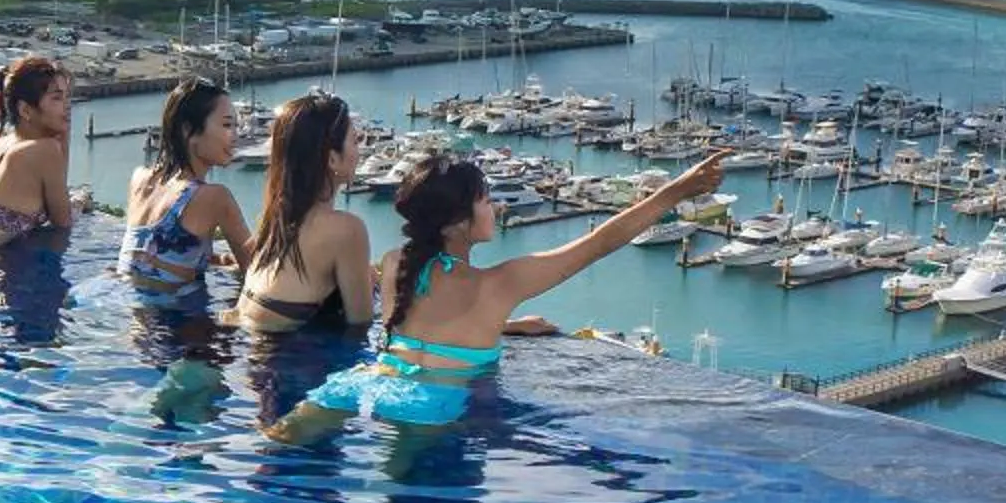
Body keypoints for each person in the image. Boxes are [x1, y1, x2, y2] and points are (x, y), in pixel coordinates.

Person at [269, 147, 729, 447]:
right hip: (431, 405)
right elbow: (601, 242)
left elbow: (427, 336)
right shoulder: (502, 283)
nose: (498, 207)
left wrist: (503, 326)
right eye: (487, 201)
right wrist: (678, 189)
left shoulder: (395, 264)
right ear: (458, 221)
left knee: (274, 448)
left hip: (364, 383)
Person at [238, 92, 373, 335]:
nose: (360, 151)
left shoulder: (275, 217)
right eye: (355, 141)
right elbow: (361, 323)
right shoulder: (348, 230)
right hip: (290, 353)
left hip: (244, 342)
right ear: (332, 159)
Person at [118, 79, 255, 313]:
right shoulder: (215, 197)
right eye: (227, 125)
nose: (236, 135)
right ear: (188, 130)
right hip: (174, 321)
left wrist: (213, 260)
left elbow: (151, 253)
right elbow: (256, 272)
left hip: (125, 307)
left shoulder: (140, 179)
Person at [0, 55, 74, 246]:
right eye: (57, 98)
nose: (68, 105)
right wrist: (64, 138)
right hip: (4, 257)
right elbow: (63, 221)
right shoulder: (45, 149)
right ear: (25, 110)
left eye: (67, 96)